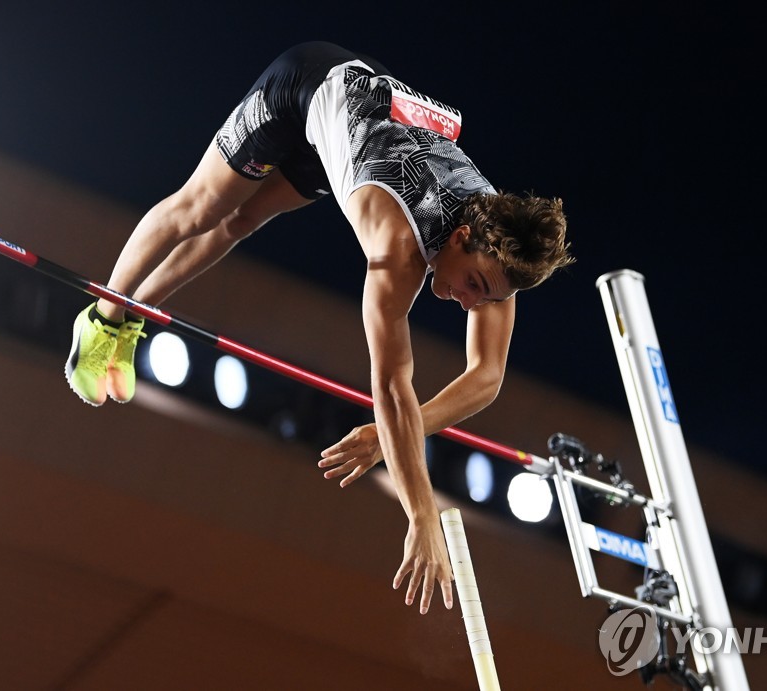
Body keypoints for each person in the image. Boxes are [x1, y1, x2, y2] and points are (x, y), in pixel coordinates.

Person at [64, 41, 572, 616]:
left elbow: (487, 376)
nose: (469, 303)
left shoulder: (498, 247)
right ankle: (103, 315)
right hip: (306, 88)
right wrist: (422, 513)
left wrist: (391, 436)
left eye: (488, 297)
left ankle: (135, 312)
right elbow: (390, 385)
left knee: (245, 220)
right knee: (205, 209)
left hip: (352, 135)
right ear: (459, 239)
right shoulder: (396, 249)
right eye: (474, 287)